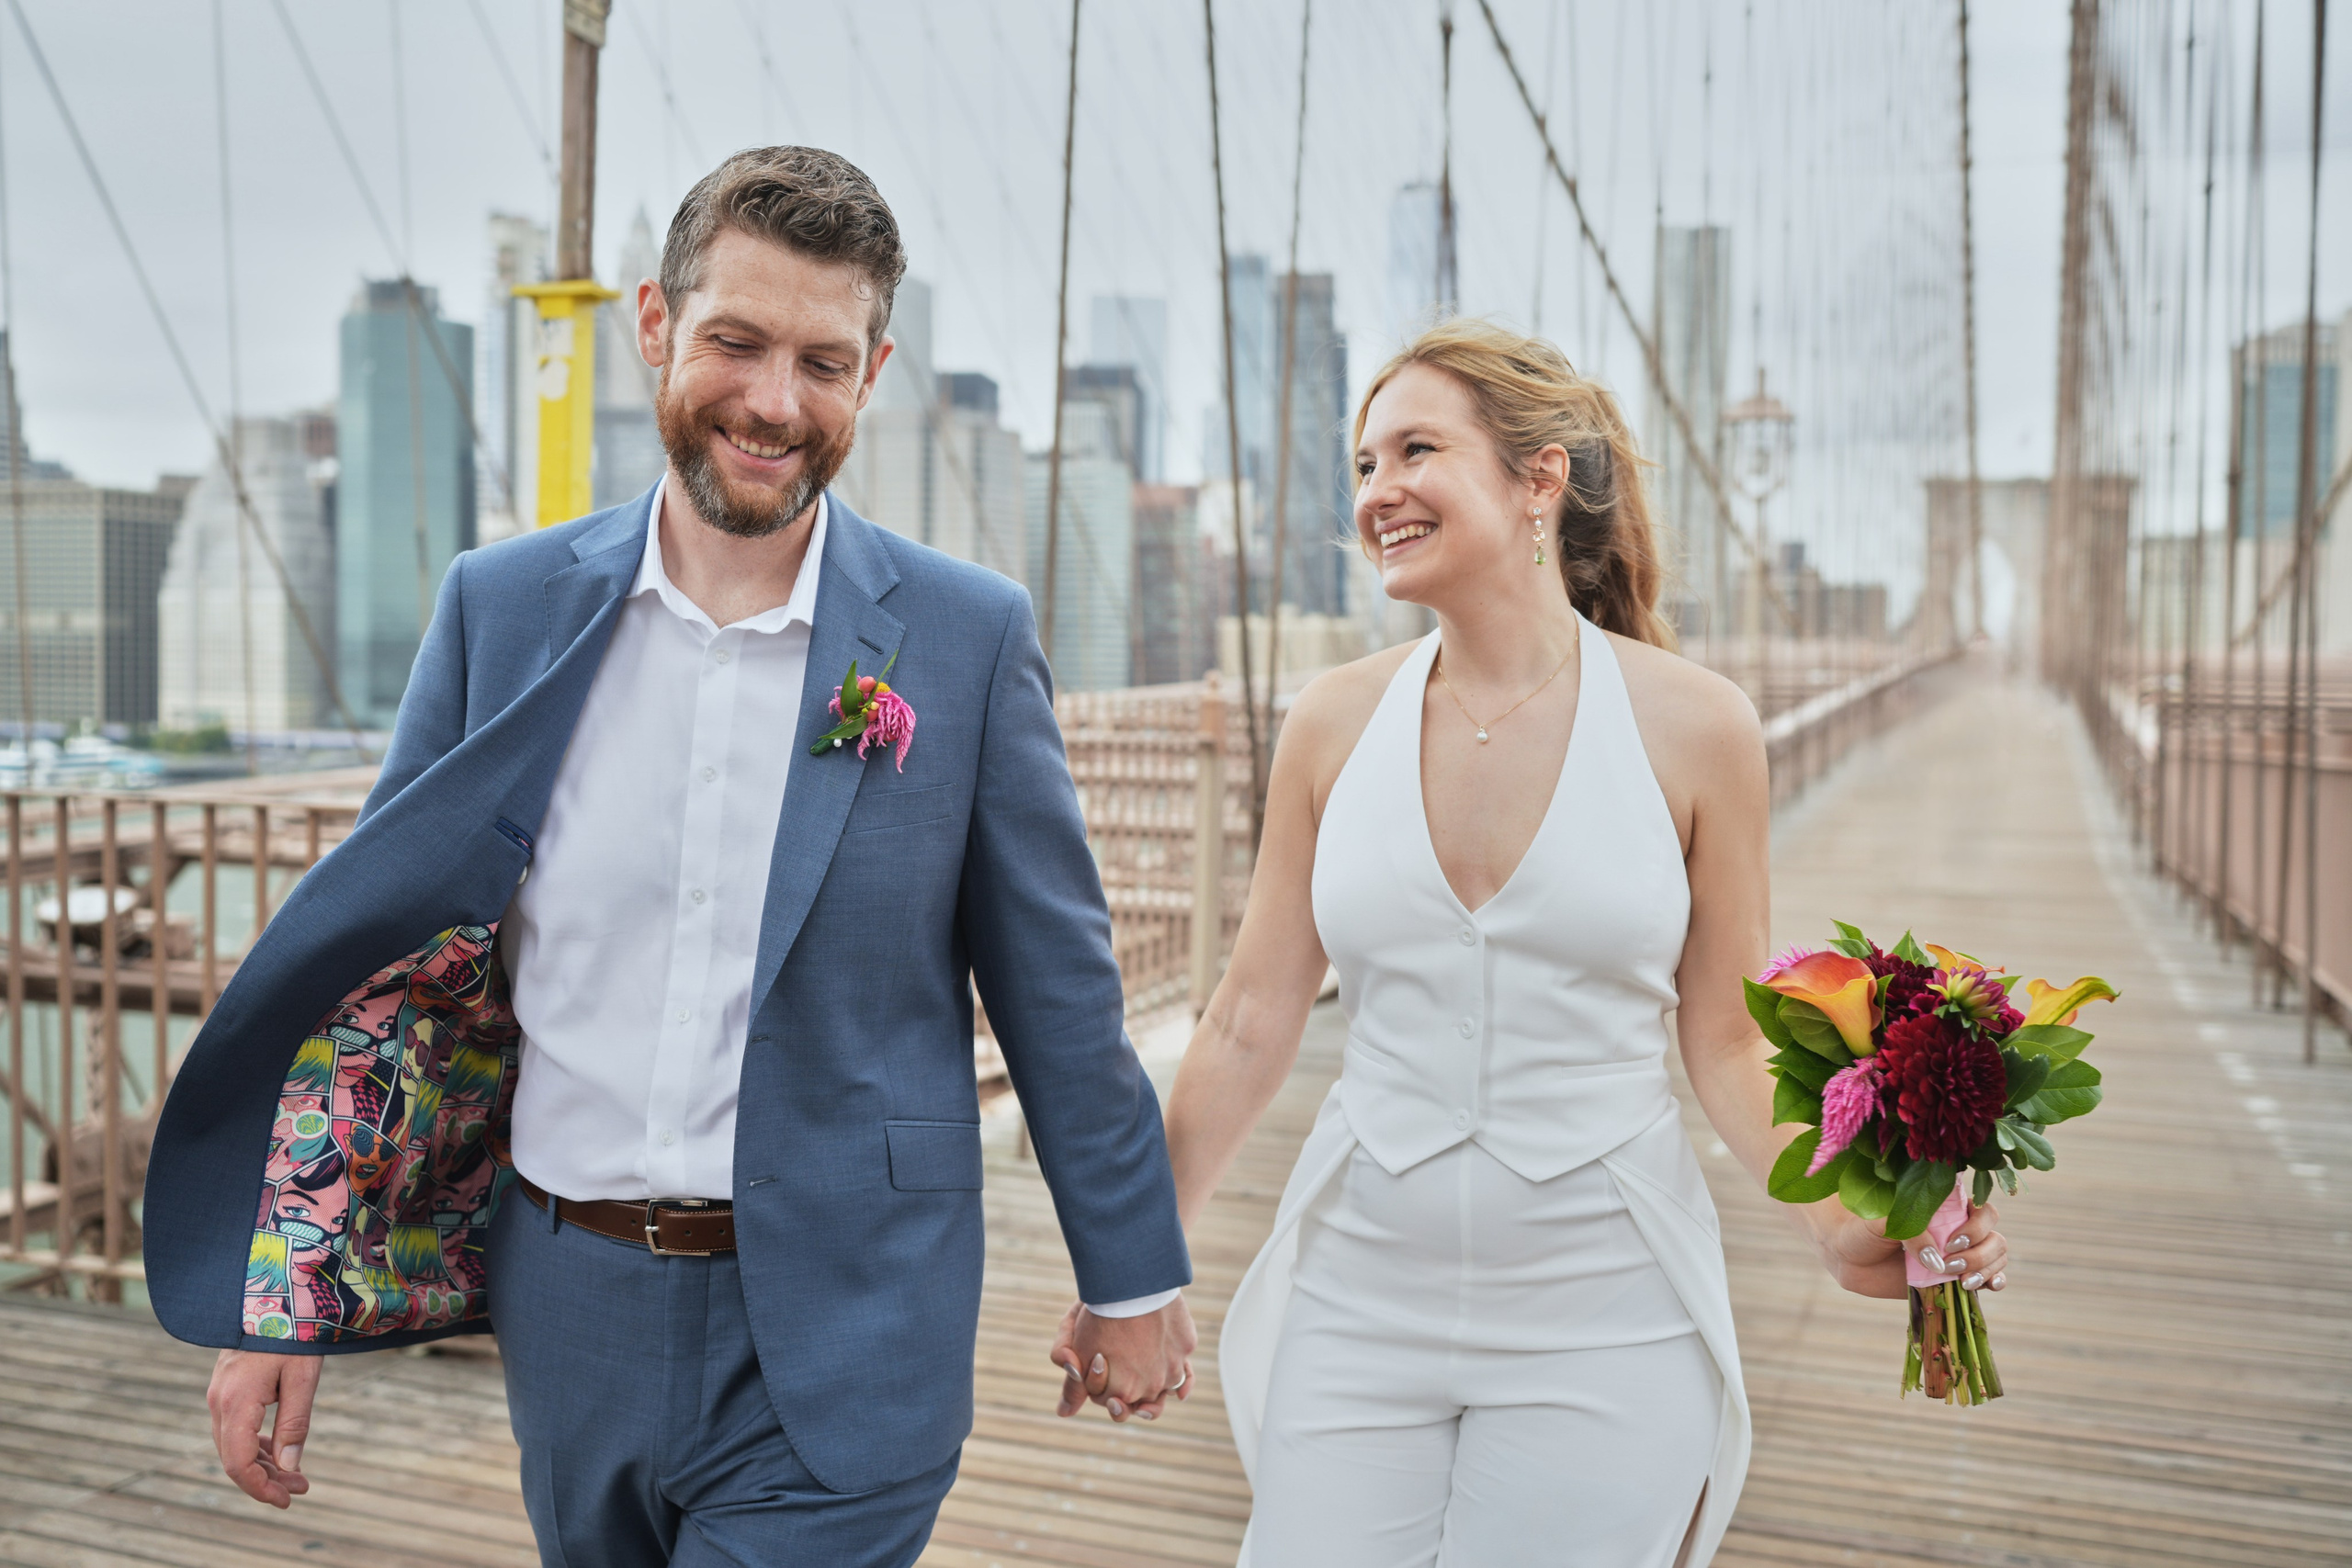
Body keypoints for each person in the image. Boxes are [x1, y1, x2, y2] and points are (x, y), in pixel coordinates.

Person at [143, 146, 1193, 1567]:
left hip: (851, 1323)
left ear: (872, 376)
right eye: (737, 343)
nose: (775, 402)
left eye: (824, 361)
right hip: (567, 1306)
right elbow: (380, 980)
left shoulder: (969, 637)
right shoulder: (497, 612)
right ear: (655, 325)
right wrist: (286, 1297)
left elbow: (1060, 1001)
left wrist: (1130, 1278)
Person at [1140, 321, 2011, 1566]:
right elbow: (1246, 1018)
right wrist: (1136, 1268)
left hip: (1604, 1308)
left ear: (1538, 478)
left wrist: (1851, 1221)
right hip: (1357, 1295)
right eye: (1364, 463)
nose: (1376, 491)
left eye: (1416, 451)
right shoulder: (1329, 724)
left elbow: (1720, 1038)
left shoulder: (1701, 728)